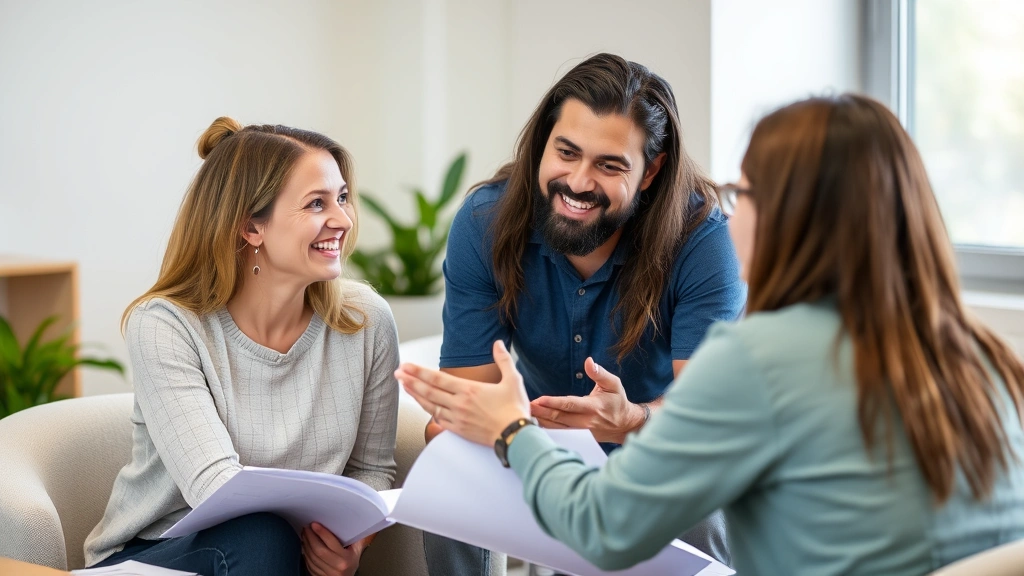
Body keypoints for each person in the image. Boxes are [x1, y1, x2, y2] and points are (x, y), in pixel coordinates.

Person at [398, 93, 1024, 575]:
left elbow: (603, 526)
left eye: (743, 193)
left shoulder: (757, 357)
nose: (731, 211)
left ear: (791, 218)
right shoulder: (983, 357)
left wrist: (511, 430)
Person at [423, 53, 745, 573]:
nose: (577, 181)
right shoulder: (485, 222)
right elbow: (468, 395)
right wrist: (464, 422)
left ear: (650, 171)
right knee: (448, 472)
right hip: (532, 448)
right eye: (566, 152)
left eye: (609, 165)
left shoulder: (702, 240)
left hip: (657, 452)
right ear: (543, 143)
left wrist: (632, 421)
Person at [84, 117, 400, 576]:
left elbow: (372, 470)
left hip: (277, 560)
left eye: (343, 198)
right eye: (317, 203)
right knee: (260, 534)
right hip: (154, 556)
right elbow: (214, 489)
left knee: (268, 540)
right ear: (252, 228)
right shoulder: (167, 325)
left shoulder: (366, 321)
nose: (343, 220)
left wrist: (348, 544)